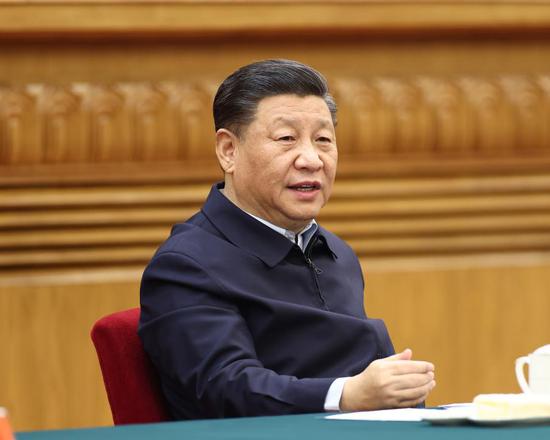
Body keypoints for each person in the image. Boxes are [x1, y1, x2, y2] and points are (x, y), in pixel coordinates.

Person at [139, 59, 435, 419]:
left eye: (323, 140)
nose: (311, 159)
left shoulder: (337, 253)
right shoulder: (185, 265)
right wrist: (347, 394)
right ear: (228, 151)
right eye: (286, 139)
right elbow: (224, 388)